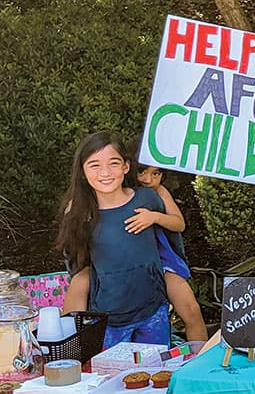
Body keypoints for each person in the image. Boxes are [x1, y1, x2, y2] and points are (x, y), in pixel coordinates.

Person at [60, 162, 207, 342]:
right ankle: (71, 350)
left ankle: (200, 358)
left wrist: (154, 217)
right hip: (106, 271)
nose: (148, 179)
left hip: (159, 263)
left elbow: (179, 224)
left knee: (190, 308)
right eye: (142, 172)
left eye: (156, 174)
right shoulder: (94, 197)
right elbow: (71, 243)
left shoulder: (156, 193)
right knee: (79, 284)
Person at [55, 132, 175, 348]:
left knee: (157, 374)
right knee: (112, 376)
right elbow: (73, 256)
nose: (105, 173)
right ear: (82, 172)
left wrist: (156, 217)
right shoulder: (79, 212)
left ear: (126, 166)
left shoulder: (146, 198)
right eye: (94, 165)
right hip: (110, 317)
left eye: (113, 163)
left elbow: (173, 233)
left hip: (152, 309)